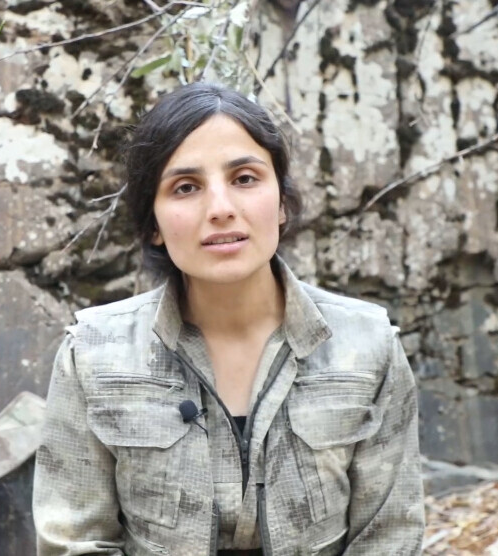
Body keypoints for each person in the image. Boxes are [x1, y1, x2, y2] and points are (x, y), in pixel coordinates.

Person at [33, 82, 424, 556]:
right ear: (153, 224)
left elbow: (390, 537)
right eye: (186, 187)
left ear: (281, 203)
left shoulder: (368, 346)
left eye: (244, 178)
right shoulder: (93, 354)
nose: (220, 209)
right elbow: (75, 542)